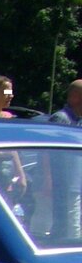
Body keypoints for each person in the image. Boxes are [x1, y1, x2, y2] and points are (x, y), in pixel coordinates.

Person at [50, 79, 82, 239]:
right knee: (71, 229)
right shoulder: (61, 119)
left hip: (75, 184)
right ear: (75, 97)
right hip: (65, 185)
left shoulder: (78, 121)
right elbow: (48, 153)